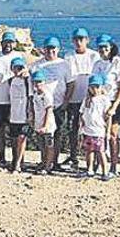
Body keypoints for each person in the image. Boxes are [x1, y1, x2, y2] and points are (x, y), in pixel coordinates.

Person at [30, 36, 73, 171]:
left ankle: (54, 161)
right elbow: (32, 86)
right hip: (41, 107)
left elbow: (70, 84)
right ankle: (44, 160)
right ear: (44, 50)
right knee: (42, 135)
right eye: (48, 48)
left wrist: (66, 102)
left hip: (58, 104)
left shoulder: (64, 64)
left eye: (53, 48)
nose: (50, 51)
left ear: (58, 49)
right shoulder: (37, 65)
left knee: (58, 134)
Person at [63, 27, 100, 170]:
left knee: (92, 129)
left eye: (81, 39)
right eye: (76, 39)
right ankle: (73, 156)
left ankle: (94, 159)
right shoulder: (68, 56)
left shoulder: (94, 56)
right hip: (73, 98)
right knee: (73, 128)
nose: (79, 42)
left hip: (90, 99)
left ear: (87, 40)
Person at [91, 34, 120, 176]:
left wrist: (114, 106)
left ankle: (114, 165)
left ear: (111, 47)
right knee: (97, 133)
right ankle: (97, 164)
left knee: (113, 134)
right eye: (100, 47)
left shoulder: (118, 62)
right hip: (100, 102)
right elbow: (93, 85)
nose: (102, 49)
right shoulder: (97, 64)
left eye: (105, 47)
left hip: (115, 101)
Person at [0, 30, 24, 167]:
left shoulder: (19, 56)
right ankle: (2, 157)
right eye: (6, 42)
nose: (8, 44)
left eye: (11, 42)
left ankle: (17, 160)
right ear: (1, 43)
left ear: (14, 43)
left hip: (14, 102)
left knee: (16, 132)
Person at [79, 73, 112, 180]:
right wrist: (81, 125)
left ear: (101, 87)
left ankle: (105, 171)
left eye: (97, 87)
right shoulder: (86, 100)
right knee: (89, 151)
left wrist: (108, 131)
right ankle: (89, 170)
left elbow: (108, 116)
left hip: (99, 131)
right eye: (92, 87)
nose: (94, 89)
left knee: (101, 152)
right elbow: (81, 113)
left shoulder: (104, 99)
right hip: (88, 130)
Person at [30, 68, 56, 175]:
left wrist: (45, 125)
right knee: (41, 145)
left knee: (49, 144)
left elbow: (49, 110)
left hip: (48, 125)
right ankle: (43, 161)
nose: (37, 84)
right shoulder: (36, 94)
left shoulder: (47, 95)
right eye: (35, 82)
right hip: (38, 123)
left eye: (39, 81)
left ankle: (48, 165)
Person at [8, 57, 31, 173]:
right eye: (15, 68)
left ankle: (18, 164)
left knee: (22, 138)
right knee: (14, 139)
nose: (18, 70)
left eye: (20, 68)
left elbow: (31, 96)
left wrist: (30, 112)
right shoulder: (10, 81)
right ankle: (16, 160)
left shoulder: (27, 81)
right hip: (13, 114)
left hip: (23, 113)